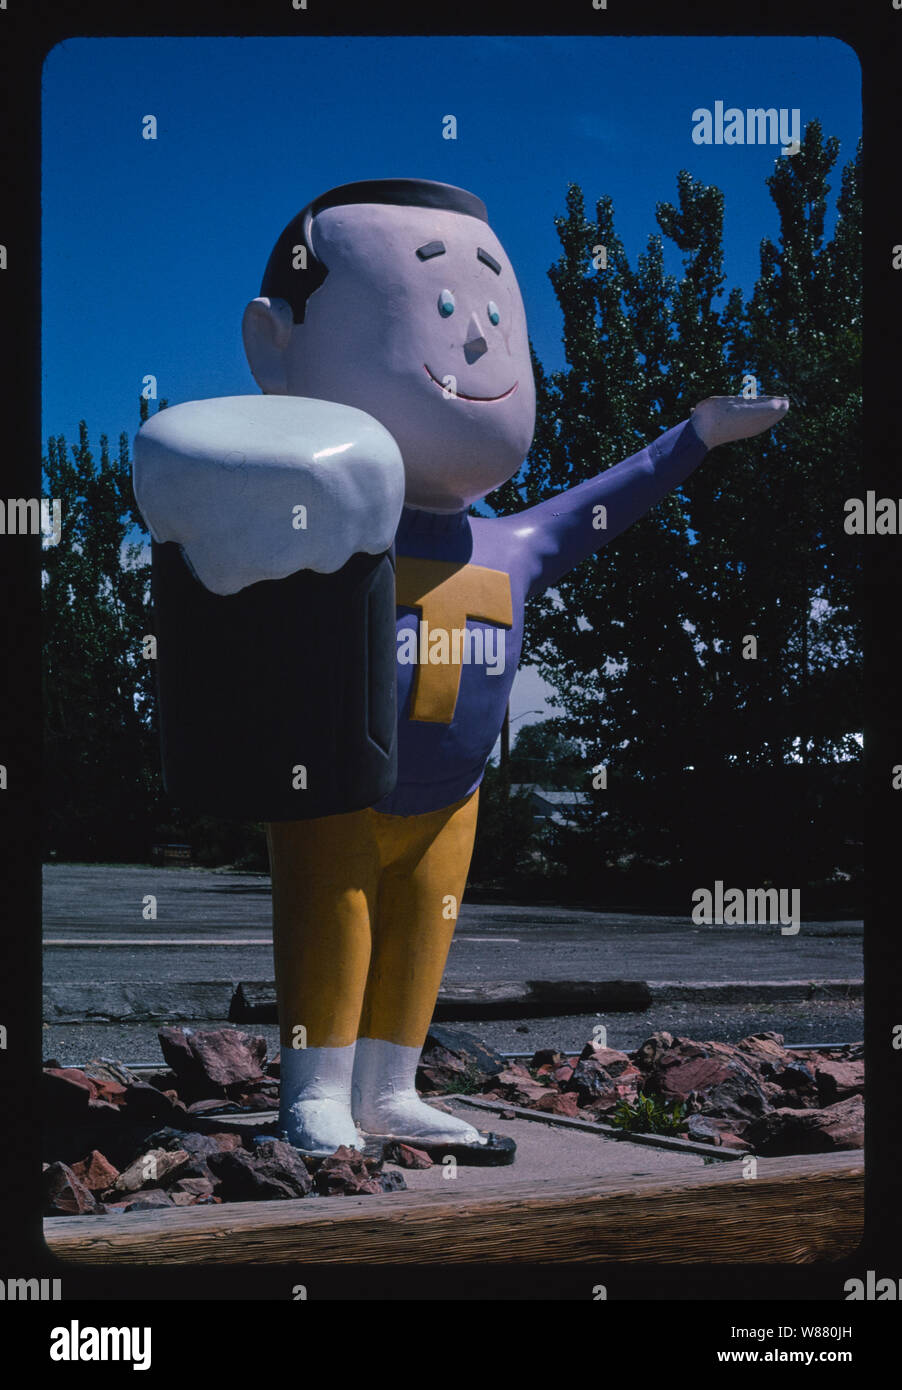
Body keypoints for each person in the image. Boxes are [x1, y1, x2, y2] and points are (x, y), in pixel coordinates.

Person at [135, 178, 788, 1154]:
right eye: (441, 306)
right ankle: (314, 1093)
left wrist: (692, 435)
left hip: (455, 793)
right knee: (331, 918)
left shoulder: (510, 545)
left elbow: (610, 501)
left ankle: (389, 1086)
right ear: (276, 343)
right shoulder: (323, 535)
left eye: (493, 311)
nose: (477, 337)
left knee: (421, 931)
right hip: (339, 782)